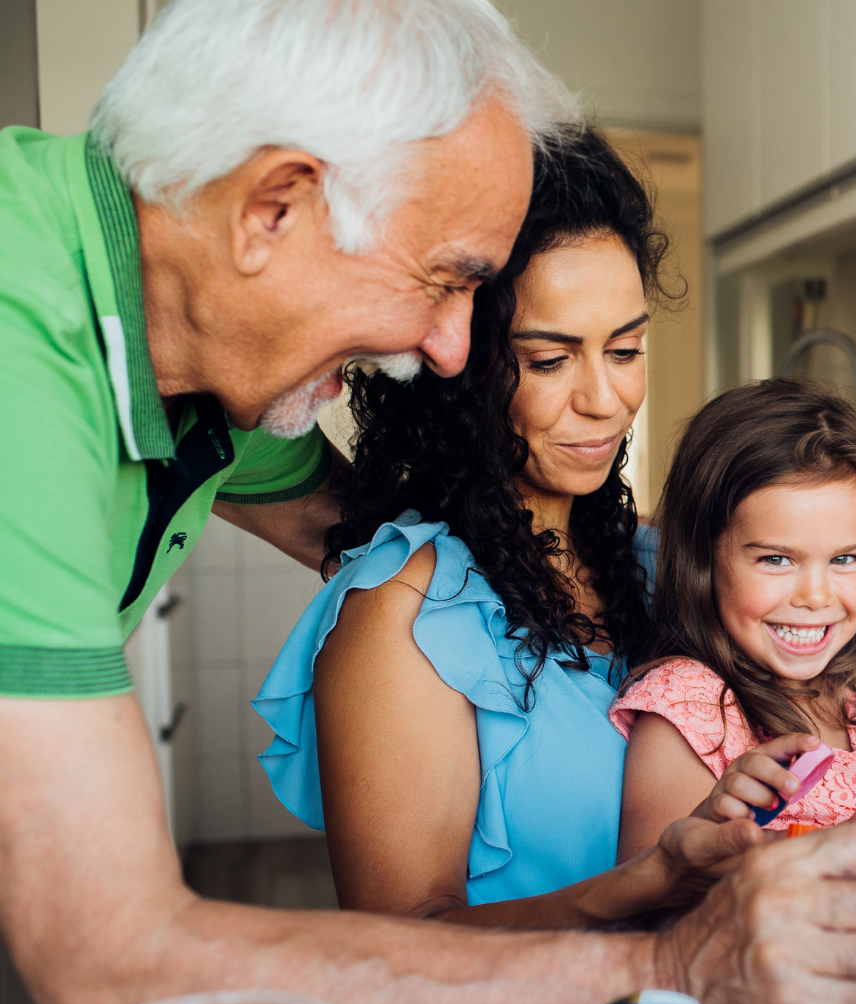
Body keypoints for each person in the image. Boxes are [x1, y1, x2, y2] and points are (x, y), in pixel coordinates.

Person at [0, 0, 856, 1004]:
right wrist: (673, 961)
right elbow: (121, 968)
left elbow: (356, 519)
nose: (443, 348)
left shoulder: (188, 360)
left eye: (623, 348)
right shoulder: (24, 351)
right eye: (445, 282)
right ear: (272, 210)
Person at [254, 125, 722, 926]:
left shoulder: (648, 558)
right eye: (550, 360)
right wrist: (636, 890)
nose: (604, 399)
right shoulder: (402, 618)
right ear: (458, 366)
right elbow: (401, 945)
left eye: (626, 348)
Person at [611, 379, 856, 859]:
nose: (817, 596)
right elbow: (646, 896)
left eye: (845, 559)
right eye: (776, 560)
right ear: (704, 559)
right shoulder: (690, 707)